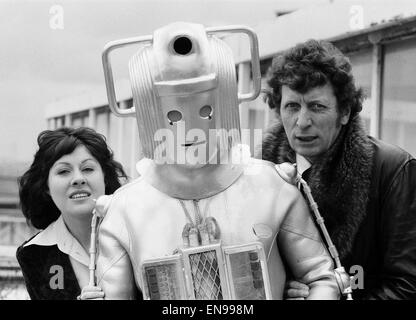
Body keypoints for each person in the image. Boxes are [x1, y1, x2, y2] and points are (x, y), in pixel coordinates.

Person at [94, 22, 340, 300]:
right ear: (150, 113)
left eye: (206, 111)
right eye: (173, 116)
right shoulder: (124, 210)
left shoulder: (273, 187)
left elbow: (322, 278)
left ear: (225, 104)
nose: (189, 128)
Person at [262, 39, 416, 299]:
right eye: (292, 106)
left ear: (344, 112)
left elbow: (408, 286)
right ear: (278, 110)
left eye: (317, 106)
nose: (302, 122)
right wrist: (281, 286)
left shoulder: (392, 170)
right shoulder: (261, 173)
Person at [16, 127, 127, 300]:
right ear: (46, 186)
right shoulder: (34, 253)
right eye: (63, 171)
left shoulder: (135, 230)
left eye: (88, 169)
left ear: (104, 176)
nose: (78, 178)